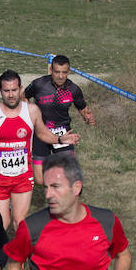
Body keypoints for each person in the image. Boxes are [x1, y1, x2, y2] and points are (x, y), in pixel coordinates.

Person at [0, 69, 80, 231]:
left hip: (23, 177)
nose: (11, 95)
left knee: (19, 221)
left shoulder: (31, 111)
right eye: (6, 91)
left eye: (14, 90)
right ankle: (1, 253)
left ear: (20, 89)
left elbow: (42, 133)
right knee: (2, 224)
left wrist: (60, 139)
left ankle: (20, 255)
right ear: (0, 91)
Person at [24, 54, 95, 185]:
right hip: (41, 132)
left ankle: (60, 195)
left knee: (68, 175)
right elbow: (24, 96)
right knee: (39, 180)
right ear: (51, 70)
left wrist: (87, 117)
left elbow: (82, 107)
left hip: (63, 132)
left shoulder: (73, 89)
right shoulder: (39, 84)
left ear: (69, 72)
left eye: (64, 72)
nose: (60, 76)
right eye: (57, 72)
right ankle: (55, 187)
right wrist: (28, 112)